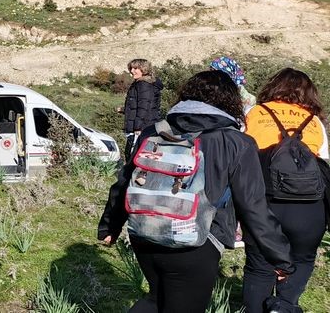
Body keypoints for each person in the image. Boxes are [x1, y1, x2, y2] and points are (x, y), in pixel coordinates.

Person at [98, 70, 295, 312]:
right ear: (229, 101)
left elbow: (125, 180)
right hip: (196, 242)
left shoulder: (155, 131)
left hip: (144, 233)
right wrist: (279, 258)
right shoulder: (236, 142)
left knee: (156, 299)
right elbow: (253, 206)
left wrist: (110, 225)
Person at [240, 68, 328, 313]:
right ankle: (285, 307)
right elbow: (323, 162)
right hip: (310, 207)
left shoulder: (255, 113)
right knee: (302, 260)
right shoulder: (314, 120)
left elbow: (239, 155)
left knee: (260, 266)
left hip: (264, 202)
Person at [120, 58, 163, 160]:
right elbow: (140, 104)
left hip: (141, 127)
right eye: (131, 68)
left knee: (134, 156)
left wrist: (138, 127)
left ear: (144, 69)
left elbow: (144, 107)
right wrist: (124, 109)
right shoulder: (140, 84)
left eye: (135, 68)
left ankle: (132, 175)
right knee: (135, 155)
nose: (132, 71)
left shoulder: (143, 85)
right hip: (142, 125)